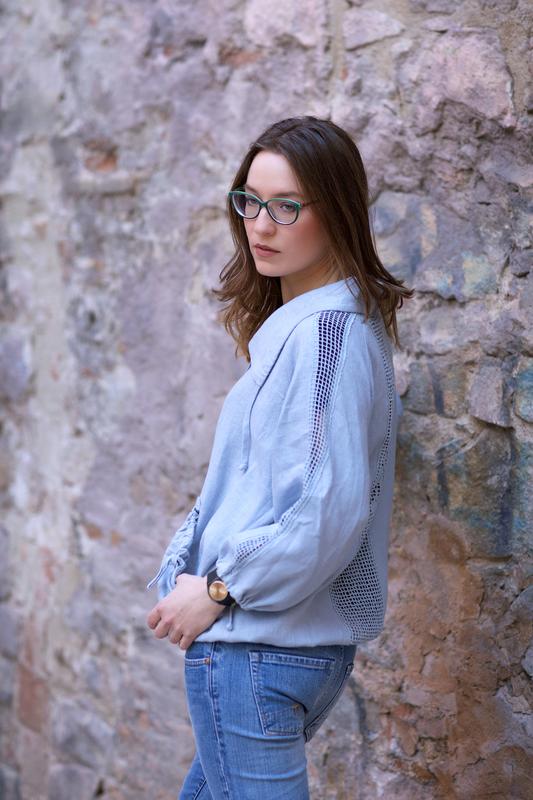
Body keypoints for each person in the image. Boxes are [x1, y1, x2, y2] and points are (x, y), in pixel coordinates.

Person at [146, 115, 413, 799]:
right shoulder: (316, 329)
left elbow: (325, 510)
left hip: (258, 652)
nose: (260, 226)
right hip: (270, 648)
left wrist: (218, 588)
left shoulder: (327, 337)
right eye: (250, 202)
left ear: (337, 211)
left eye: (286, 206)